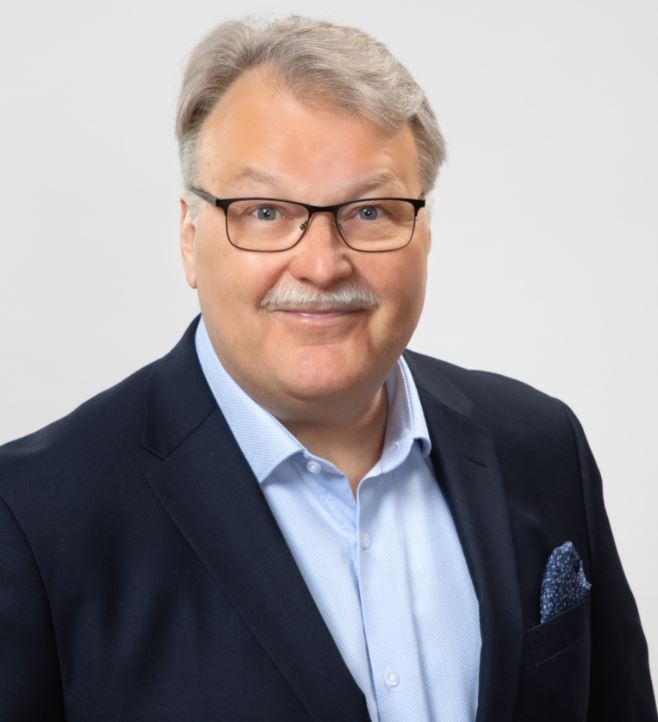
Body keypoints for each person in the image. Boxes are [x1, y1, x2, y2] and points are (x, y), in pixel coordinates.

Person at [0, 15, 655, 722]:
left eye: (369, 211)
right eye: (265, 211)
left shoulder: (542, 446)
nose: (320, 265)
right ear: (190, 238)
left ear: (424, 232)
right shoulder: (34, 518)